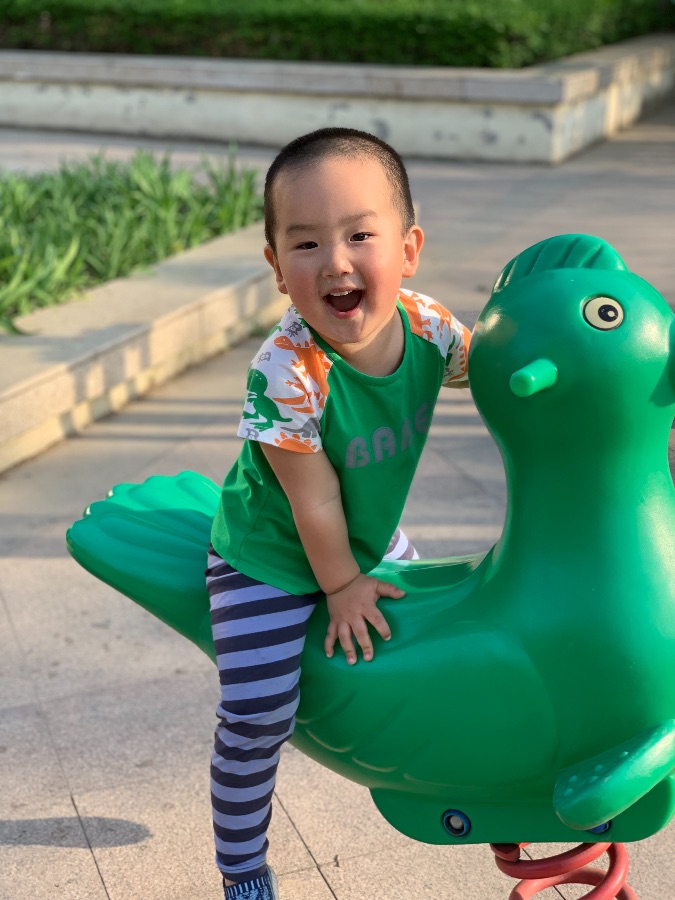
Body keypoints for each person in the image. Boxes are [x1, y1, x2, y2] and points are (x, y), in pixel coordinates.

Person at [206, 126, 471, 899]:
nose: (335, 261)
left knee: (441, 649)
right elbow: (312, 499)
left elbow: (490, 370)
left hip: (367, 533)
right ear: (276, 268)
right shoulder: (285, 370)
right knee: (257, 711)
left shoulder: (426, 326)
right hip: (271, 554)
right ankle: (241, 865)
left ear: (408, 249)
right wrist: (344, 586)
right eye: (306, 243)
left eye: (359, 235)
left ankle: (469, 777)